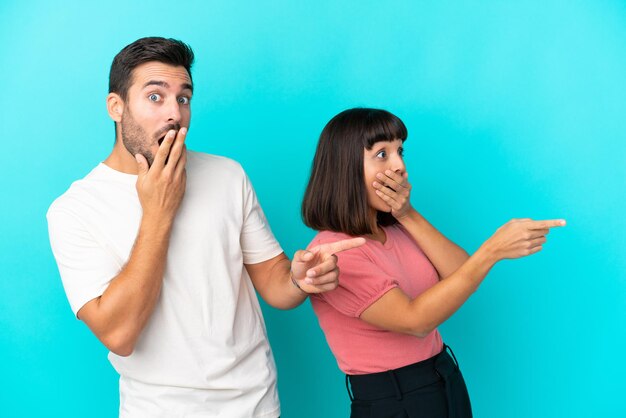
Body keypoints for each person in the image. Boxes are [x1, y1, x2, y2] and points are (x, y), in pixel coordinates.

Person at [47, 37, 363, 418]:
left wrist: (300, 279)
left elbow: (275, 284)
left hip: (257, 404)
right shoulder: (74, 210)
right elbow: (119, 335)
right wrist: (158, 212)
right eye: (155, 97)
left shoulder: (227, 175)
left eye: (183, 98)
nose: (174, 114)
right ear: (116, 107)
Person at [301, 108, 565, 418]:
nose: (400, 166)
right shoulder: (336, 252)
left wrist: (407, 214)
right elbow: (416, 321)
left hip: (443, 378)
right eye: (382, 154)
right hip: (395, 399)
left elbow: (460, 272)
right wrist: (492, 249)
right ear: (345, 167)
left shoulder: (396, 229)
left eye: (400, 151)